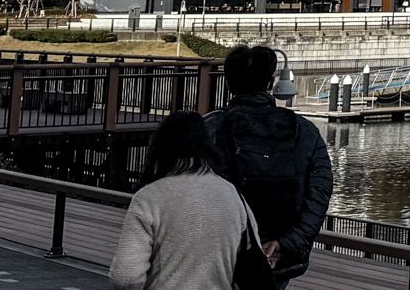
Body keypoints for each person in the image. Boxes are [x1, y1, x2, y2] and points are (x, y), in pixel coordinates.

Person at [205, 45, 333, 282]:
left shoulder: (208, 129)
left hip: (218, 255)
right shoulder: (305, 132)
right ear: (271, 81)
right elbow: (319, 194)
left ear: (228, 83)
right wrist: (288, 243)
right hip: (278, 255)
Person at [111, 112, 258, 290]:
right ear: (207, 145)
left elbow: (126, 277)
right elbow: (253, 254)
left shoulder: (149, 197)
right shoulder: (232, 194)